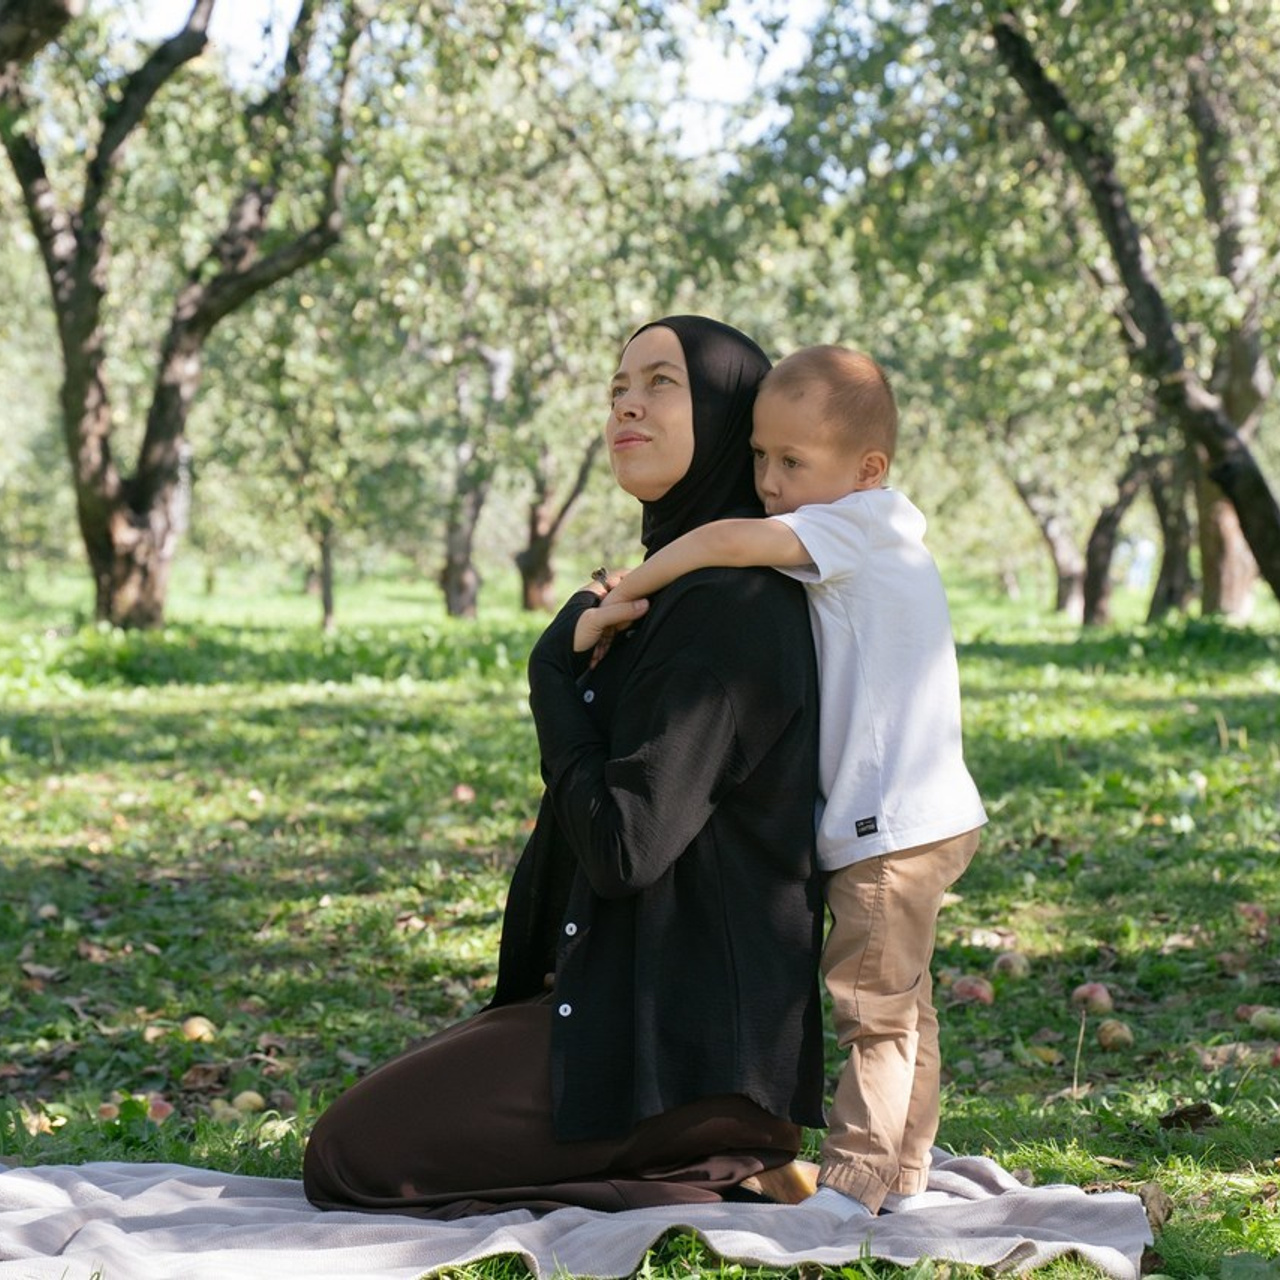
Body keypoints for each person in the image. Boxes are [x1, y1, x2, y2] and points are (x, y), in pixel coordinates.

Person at [302, 316, 827, 1218]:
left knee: (348, 1155)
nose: (627, 404)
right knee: (383, 1116)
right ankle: (713, 1155)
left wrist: (552, 674)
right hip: (633, 1014)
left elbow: (625, 846)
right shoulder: (673, 593)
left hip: (687, 1056)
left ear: (729, 417)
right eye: (617, 386)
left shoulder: (729, 608)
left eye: (661, 383)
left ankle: (714, 1161)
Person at [582, 344, 987, 1219]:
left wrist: (630, 586)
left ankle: (857, 1182)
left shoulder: (853, 523)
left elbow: (727, 539)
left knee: (871, 1008)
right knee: (906, 1005)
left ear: (867, 468)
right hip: (929, 817)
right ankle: (906, 1174)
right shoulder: (882, 528)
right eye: (759, 457)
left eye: (791, 462)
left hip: (888, 829)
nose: (767, 482)